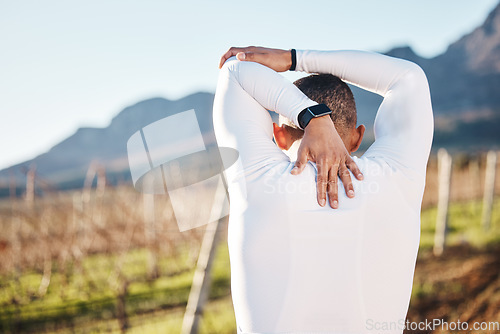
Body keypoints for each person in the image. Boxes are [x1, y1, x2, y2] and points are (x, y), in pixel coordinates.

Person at [213, 46, 433, 334]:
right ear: (357, 138)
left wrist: (313, 117)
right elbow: (408, 76)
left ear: (277, 136)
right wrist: (295, 59)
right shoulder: (398, 178)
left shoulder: (258, 180)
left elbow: (235, 70)